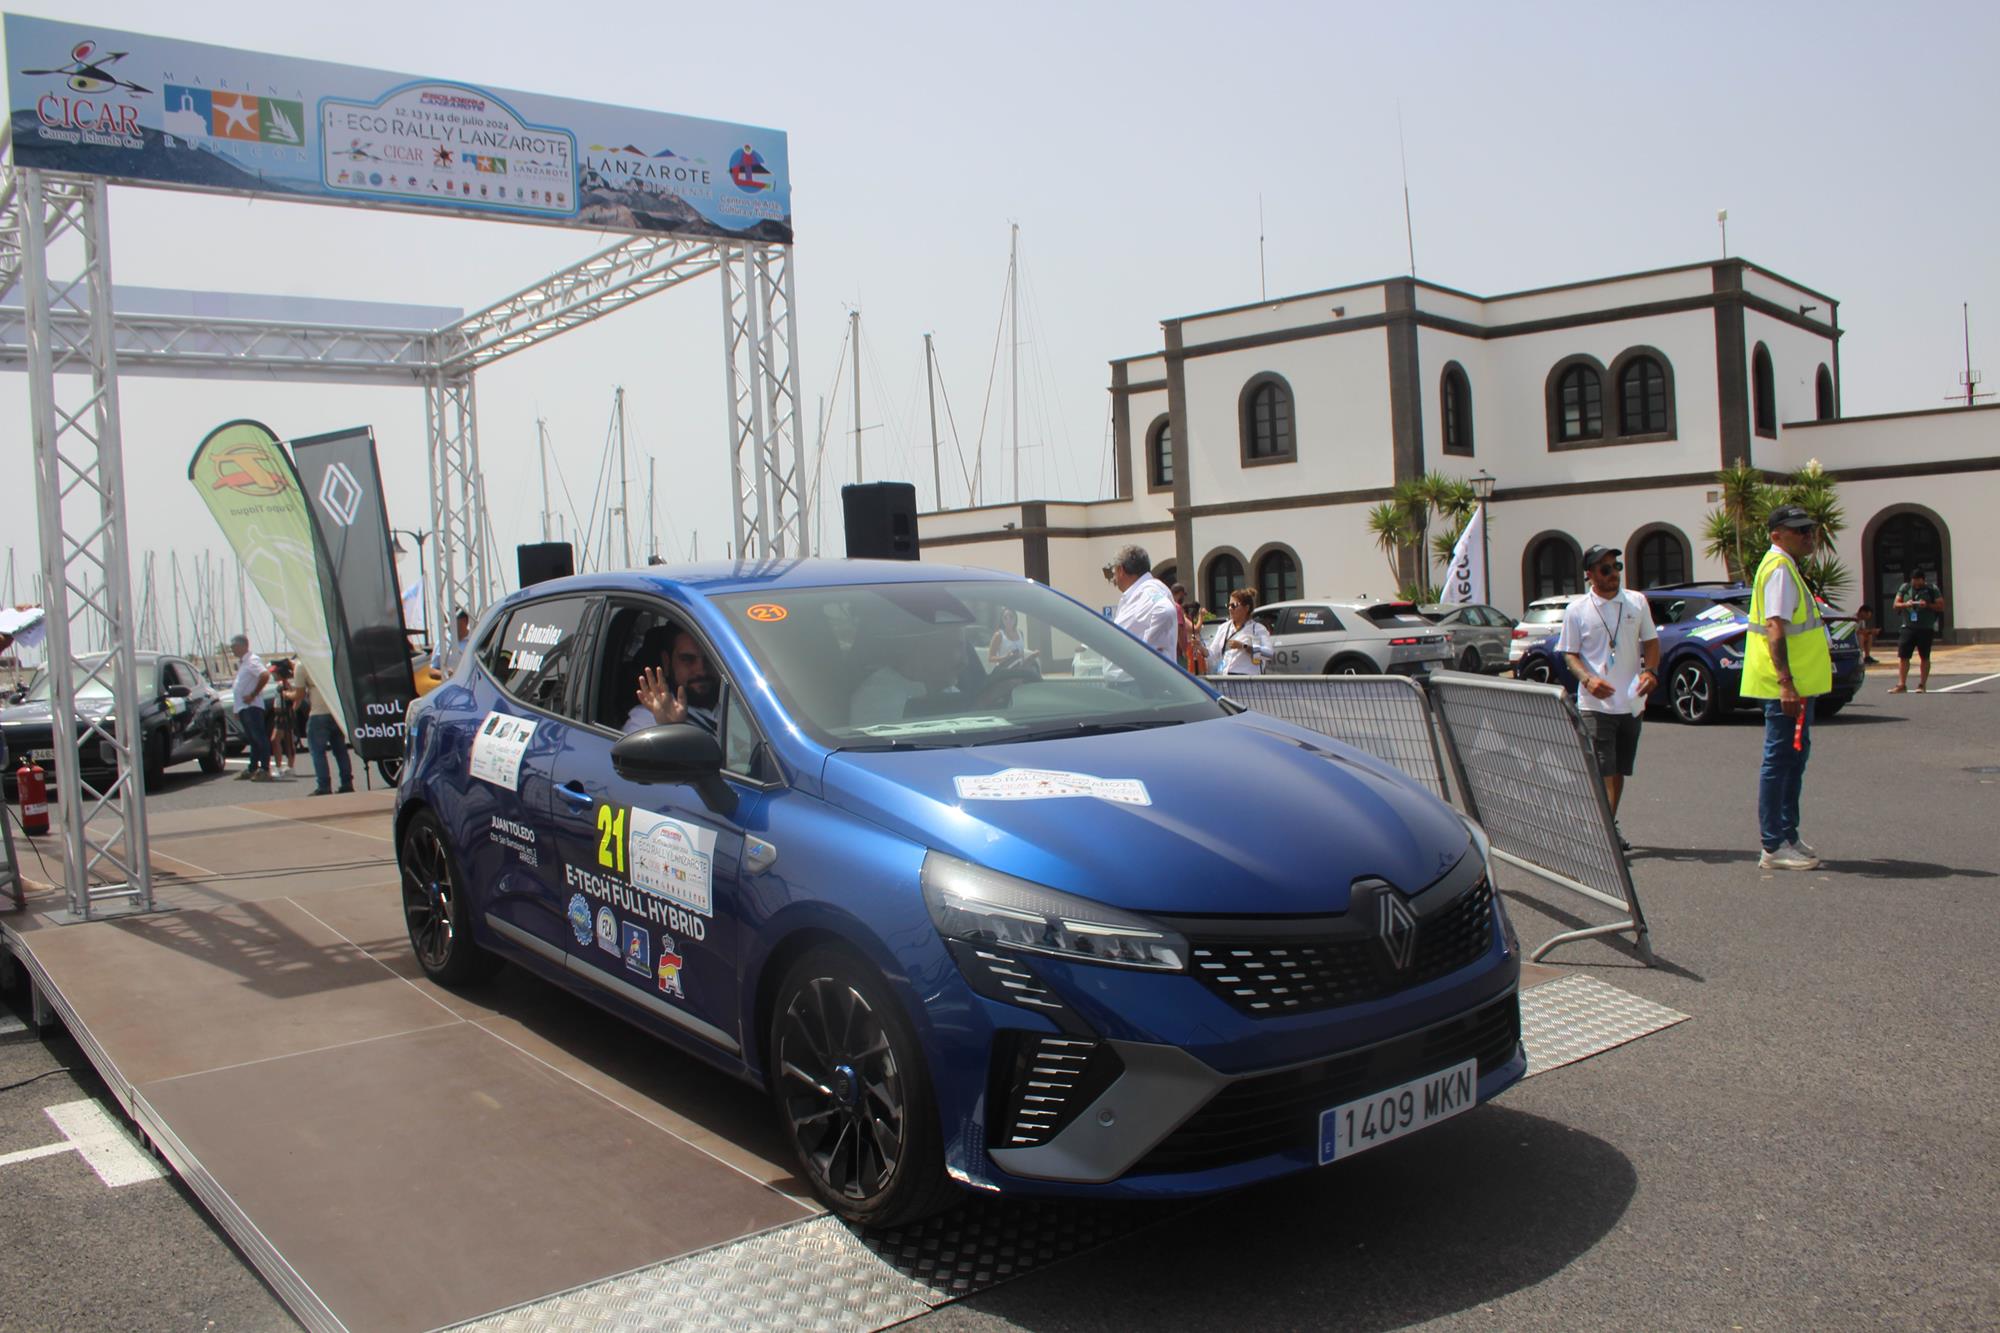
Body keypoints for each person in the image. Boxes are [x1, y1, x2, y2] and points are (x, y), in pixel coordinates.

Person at [1742, 504, 1833, 871]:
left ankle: (1787, 834)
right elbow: (1775, 627)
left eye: (1809, 529)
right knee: (1780, 761)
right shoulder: (1779, 569)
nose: (1808, 535)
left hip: (1797, 684)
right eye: (1799, 530)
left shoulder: (1786, 567)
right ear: (1777, 535)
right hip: (1785, 686)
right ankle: (1773, 844)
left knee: (1794, 758)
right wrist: (1786, 684)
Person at [1557, 545, 1660, 852]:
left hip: (1630, 704)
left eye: (1616, 567)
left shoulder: (1637, 602)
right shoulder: (1577, 610)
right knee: (1602, 769)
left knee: (1617, 770)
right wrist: (1587, 679)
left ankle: (1608, 824)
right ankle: (1603, 834)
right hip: (1595, 705)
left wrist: (1651, 672)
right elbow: (1569, 654)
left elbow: (1651, 642)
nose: (1613, 573)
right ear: (1590, 575)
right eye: (1605, 569)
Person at [624, 625, 720, 734]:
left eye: (709, 659)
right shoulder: (647, 719)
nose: (701, 670)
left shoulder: (737, 697)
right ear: (667, 662)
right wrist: (671, 729)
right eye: (687, 659)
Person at [1103, 544, 1178, 659]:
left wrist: (1146, 650)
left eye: (1114, 571)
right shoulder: (1139, 592)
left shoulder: (1149, 590)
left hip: (1143, 675)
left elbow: (1165, 610)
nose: (1114, 577)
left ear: (1120, 570)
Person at [294, 667, 355, 795]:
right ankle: (347, 783)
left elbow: (299, 694)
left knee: (317, 752)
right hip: (335, 710)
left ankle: (324, 785)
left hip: (318, 713)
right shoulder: (326, 658)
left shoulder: (301, 665)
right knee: (340, 750)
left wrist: (287, 694)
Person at [1888, 570, 1946, 694]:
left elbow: (1941, 606)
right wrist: (1906, 604)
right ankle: (1901, 684)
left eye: (1919, 583)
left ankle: (1922, 684)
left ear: (1923, 580)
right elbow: (1895, 605)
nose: (1916, 586)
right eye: (1914, 583)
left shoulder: (1932, 589)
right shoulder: (1905, 588)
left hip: (1925, 628)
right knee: (1903, 656)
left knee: (1924, 657)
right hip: (1908, 627)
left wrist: (1927, 605)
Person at [229, 634, 273, 782]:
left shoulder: (252, 660)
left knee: (259, 737)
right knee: (253, 740)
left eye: (234, 647)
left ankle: (265, 768)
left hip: (252, 707)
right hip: (244, 707)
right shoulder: (244, 663)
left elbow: (264, 675)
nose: (232, 650)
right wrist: (237, 708)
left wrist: (253, 694)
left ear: (243, 646)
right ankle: (253, 767)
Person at [1206, 587, 1274, 675]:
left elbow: (1268, 654)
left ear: (1246, 608)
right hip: (1225, 679)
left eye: (1234, 605)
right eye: (1228, 605)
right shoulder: (1224, 628)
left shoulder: (1257, 629)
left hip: (1247, 681)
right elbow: (1212, 654)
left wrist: (1244, 646)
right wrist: (1200, 648)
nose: (1230, 609)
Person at [266, 658, 298, 779]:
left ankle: (285, 767)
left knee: (284, 741)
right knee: (281, 740)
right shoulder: (282, 685)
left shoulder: (286, 685)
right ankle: (286, 766)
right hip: (280, 715)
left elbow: (292, 698)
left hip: (284, 715)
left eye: (275, 673)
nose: (273, 675)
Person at [431, 609, 472, 675]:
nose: (448, 625)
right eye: (447, 622)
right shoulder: (442, 642)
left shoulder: (475, 640)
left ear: (465, 621)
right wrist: (445, 674)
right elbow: (432, 670)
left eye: (451, 621)